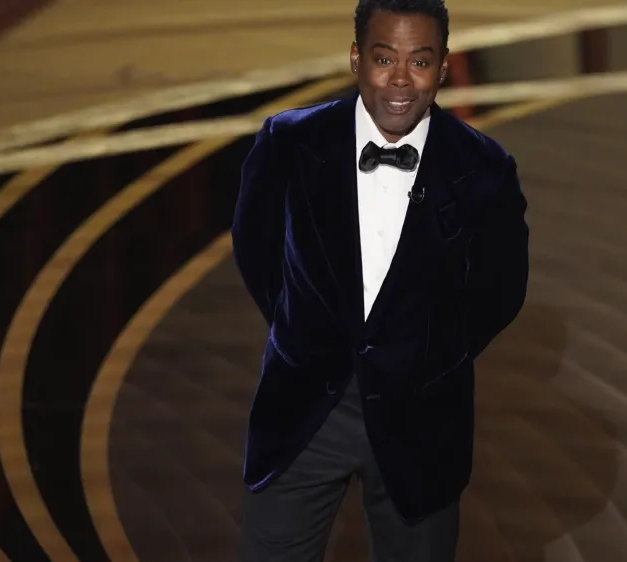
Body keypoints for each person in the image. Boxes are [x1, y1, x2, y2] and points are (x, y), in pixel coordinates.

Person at [231, 0, 529, 559]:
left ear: (442, 68)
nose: (400, 79)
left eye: (419, 61)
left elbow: (501, 290)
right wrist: (305, 332)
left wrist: (429, 355)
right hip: (304, 411)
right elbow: (256, 248)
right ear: (356, 58)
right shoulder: (289, 142)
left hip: (423, 422)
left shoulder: (485, 169)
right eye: (384, 58)